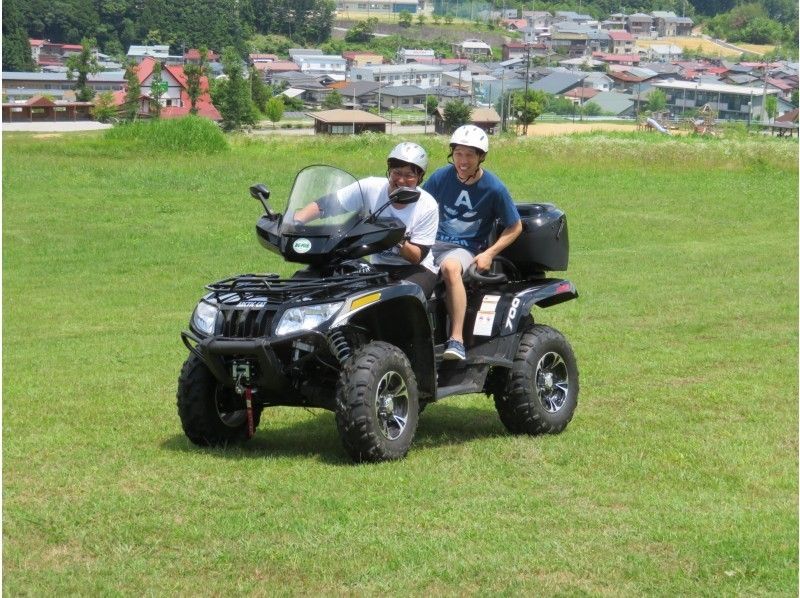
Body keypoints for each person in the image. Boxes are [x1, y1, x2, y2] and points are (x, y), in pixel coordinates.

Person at [423, 125, 522, 360]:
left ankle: (456, 340)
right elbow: (421, 206)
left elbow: (515, 226)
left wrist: (489, 253)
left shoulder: (494, 188)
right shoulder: (440, 177)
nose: (463, 161)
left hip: (465, 248)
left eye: (469, 155)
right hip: (432, 243)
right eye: (458, 153)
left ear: (481, 157)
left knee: (450, 268)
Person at [292, 142, 439, 298]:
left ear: (420, 177)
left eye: (409, 175)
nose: (401, 180)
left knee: (404, 298)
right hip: (378, 265)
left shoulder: (427, 205)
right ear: (389, 171)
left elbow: (416, 257)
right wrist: (295, 221)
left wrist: (395, 236)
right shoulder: (370, 188)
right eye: (396, 172)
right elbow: (327, 205)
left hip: (417, 269)